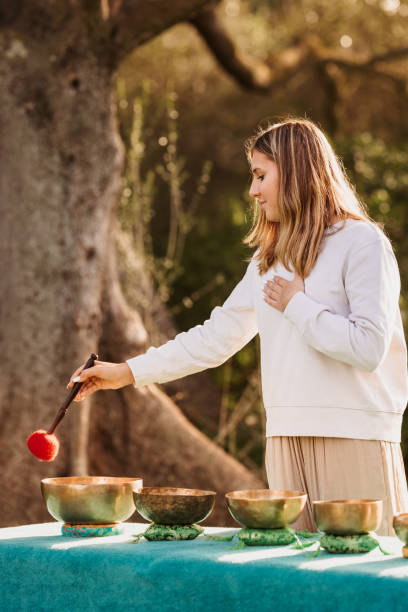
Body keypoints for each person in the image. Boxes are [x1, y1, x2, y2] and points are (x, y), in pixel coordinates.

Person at [68, 118, 408, 535]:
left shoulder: (363, 243)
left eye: (261, 175)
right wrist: (126, 373)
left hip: (354, 437)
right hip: (285, 440)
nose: (253, 190)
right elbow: (214, 339)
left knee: (366, 586)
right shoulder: (269, 262)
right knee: (296, 588)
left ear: (298, 170)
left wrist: (297, 304)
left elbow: (368, 347)